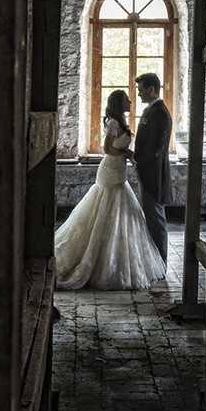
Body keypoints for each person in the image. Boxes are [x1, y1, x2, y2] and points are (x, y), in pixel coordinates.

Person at [54, 89, 166, 290]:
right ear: (118, 103)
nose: (130, 101)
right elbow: (107, 149)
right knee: (105, 210)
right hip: (110, 170)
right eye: (126, 100)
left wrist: (128, 155)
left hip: (119, 171)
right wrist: (127, 153)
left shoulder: (120, 122)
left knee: (122, 215)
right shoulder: (114, 123)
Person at [133, 72, 173, 265]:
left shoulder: (160, 112)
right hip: (148, 173)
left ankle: (161, 264)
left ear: (151, 89)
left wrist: (136, 158)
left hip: (154, 175)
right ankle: (155, 262)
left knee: (156, 222)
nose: (139, 94)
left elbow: (155, 147)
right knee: (151, 219)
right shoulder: (152, 110)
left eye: (141, 90)